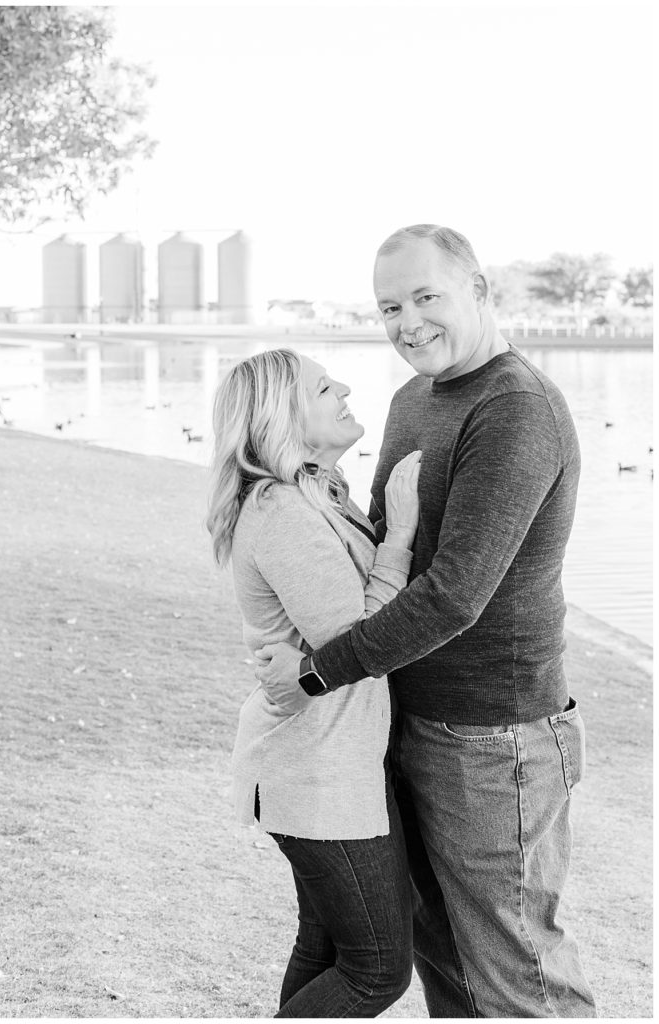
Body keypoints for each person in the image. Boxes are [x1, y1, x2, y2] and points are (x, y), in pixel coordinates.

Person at [256, 225, 598, 1018]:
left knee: (518, 976)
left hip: (493, 739)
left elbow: (452, 595)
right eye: (388, 307)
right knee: (447, 965)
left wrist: (315, 671)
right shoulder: (414, 400)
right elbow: (389, 551)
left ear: (479, 289)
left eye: (425, 297)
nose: (407, 322)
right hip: (408, 719)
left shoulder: (517, 407)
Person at [206, 347, 423, 1017]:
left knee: (326, 948)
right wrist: (402, 532)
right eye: (325, 387)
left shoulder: (312, 495)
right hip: (318, 764)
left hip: (327, 754)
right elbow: (358, 643)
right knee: (377, 972)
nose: (347, 389)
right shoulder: (278, 511)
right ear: (283, 417)